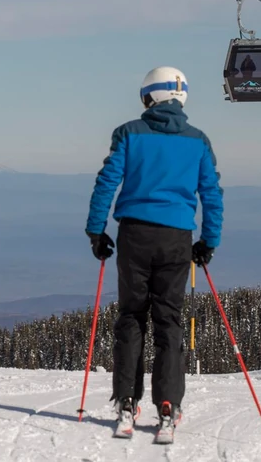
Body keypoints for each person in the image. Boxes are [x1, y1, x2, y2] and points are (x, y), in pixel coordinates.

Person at [84, 65, 224, 437]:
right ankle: (168, 406)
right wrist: (209, 241)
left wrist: (96, 231)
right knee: (169, 320)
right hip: (177, 237)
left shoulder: (129, 134)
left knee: (131, 317)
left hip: (134, 235)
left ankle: (126, 404)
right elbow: (211, 194)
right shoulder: (198, 141)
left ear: (149, 96)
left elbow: (106, 182)